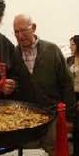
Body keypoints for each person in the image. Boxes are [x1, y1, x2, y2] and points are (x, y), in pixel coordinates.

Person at [12, 15, 74, 156]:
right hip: (25, 119)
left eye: (23, 30)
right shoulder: (14, 54)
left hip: (52, 116)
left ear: (33, 28)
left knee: (55, 150)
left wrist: (69, 118)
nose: (20, 36)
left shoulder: (52, 50)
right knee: (29, 152)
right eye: (16, 32)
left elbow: (67, 83)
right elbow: (13, 82)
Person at [69, 35, 79, 156]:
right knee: (75, 127)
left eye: (72, 44)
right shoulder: (69, 60)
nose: (70, 47)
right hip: (72, 96)